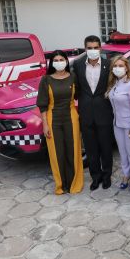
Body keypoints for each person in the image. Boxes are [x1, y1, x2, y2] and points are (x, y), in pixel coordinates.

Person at [37, 51, 85, 195]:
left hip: (71, 117)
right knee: (57, 152)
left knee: (73, 150)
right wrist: (45, 124)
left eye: (61, 59)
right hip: (53, 118)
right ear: (52, 63)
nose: (59, 62)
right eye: (56, 60)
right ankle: (61, 185)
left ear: (66, 61)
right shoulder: (46, 80)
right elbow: (42, 104)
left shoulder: (73, 77)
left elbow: (80, 95)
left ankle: (74, 183)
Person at [73, 35, 115, 190]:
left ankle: (107, 176)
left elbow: (115, 84)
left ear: (100, 48)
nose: (93, 50)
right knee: (91, 149)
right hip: (86, 113)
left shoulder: (109, 64)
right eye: (89, 48)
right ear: (85, 49)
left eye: (95, 47)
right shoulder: (77, 65)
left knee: (105, 147)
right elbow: (75, 87)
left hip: (104, 112)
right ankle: (95, 177)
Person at [107, 56, 130, 192]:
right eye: (115, 66)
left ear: (127, 68)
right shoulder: (114, 83)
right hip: (118, 124)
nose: (118, 68)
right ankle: (126, 175)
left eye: (121, 65)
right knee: (122, 152)